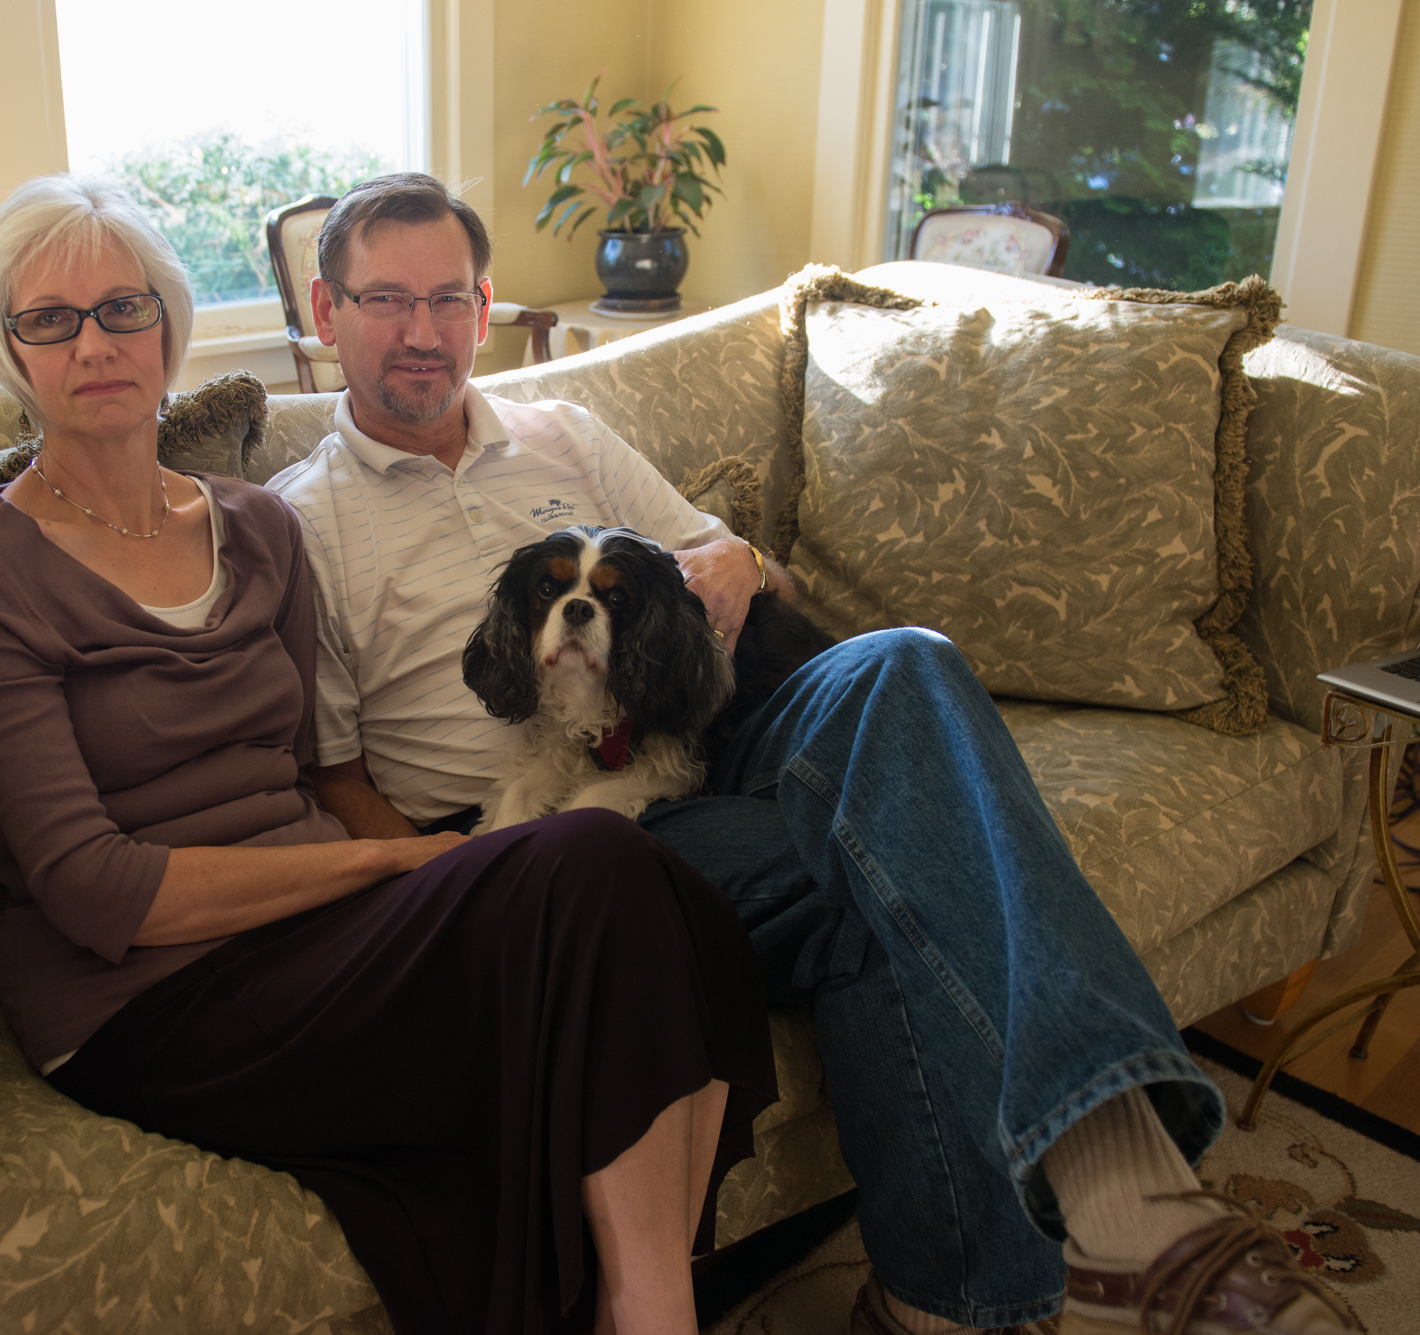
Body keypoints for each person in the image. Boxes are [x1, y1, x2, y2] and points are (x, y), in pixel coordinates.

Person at [266, 172, 1360, 1335]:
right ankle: (1064, 1247)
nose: (421, 332)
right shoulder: (295, 522)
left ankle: (1017, 1263)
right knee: (898, 861)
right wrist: (445, 900)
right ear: (326, 313)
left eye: (446, 299)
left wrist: (738, 559)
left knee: (903, 662)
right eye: (385, 300)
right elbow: (332, 774)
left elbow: (735, 568)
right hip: (543, 841)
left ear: (484, 310)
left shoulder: (563, 434)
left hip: (703, 745)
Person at [0, 173, 780, 1335]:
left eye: (124, 309)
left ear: (168, 326)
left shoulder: (256, 527)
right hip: (148, 994)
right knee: (587, 867)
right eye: (49, 319)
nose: (95, 343)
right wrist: (396, 867)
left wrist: (405, 886)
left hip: (322, 938)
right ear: (7, 349)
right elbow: (90, 885)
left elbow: (303, 764)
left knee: (643, 887)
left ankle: (647, 1303)